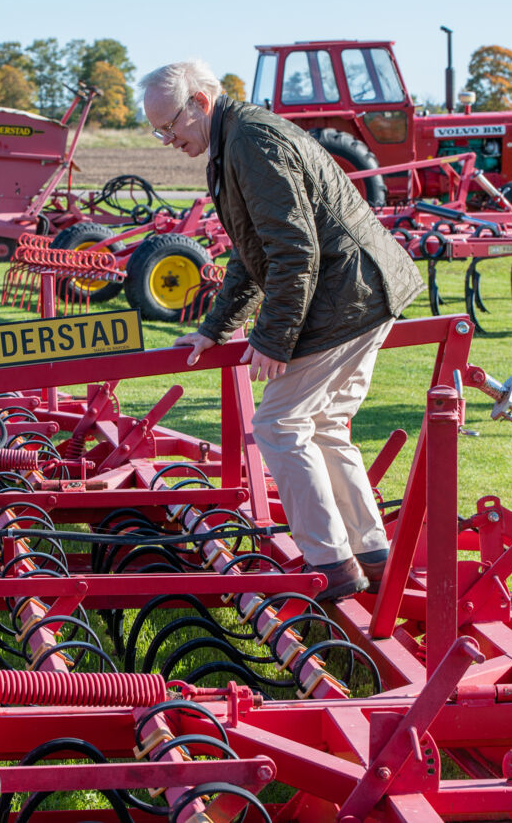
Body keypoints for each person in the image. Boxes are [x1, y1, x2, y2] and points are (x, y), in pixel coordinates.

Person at [140, 60, 424, 600]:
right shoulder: (233, 141)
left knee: (278, 424)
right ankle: (371, 555)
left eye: (169, 126)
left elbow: (294, 252)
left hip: (348, 296)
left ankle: (330, 566)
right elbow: (252, 252)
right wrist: (215, 329)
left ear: (200, 102)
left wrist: (273, 339)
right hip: (363, 291)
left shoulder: (251, 142)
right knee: (324, 426)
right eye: (159, 131)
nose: (167, 140)